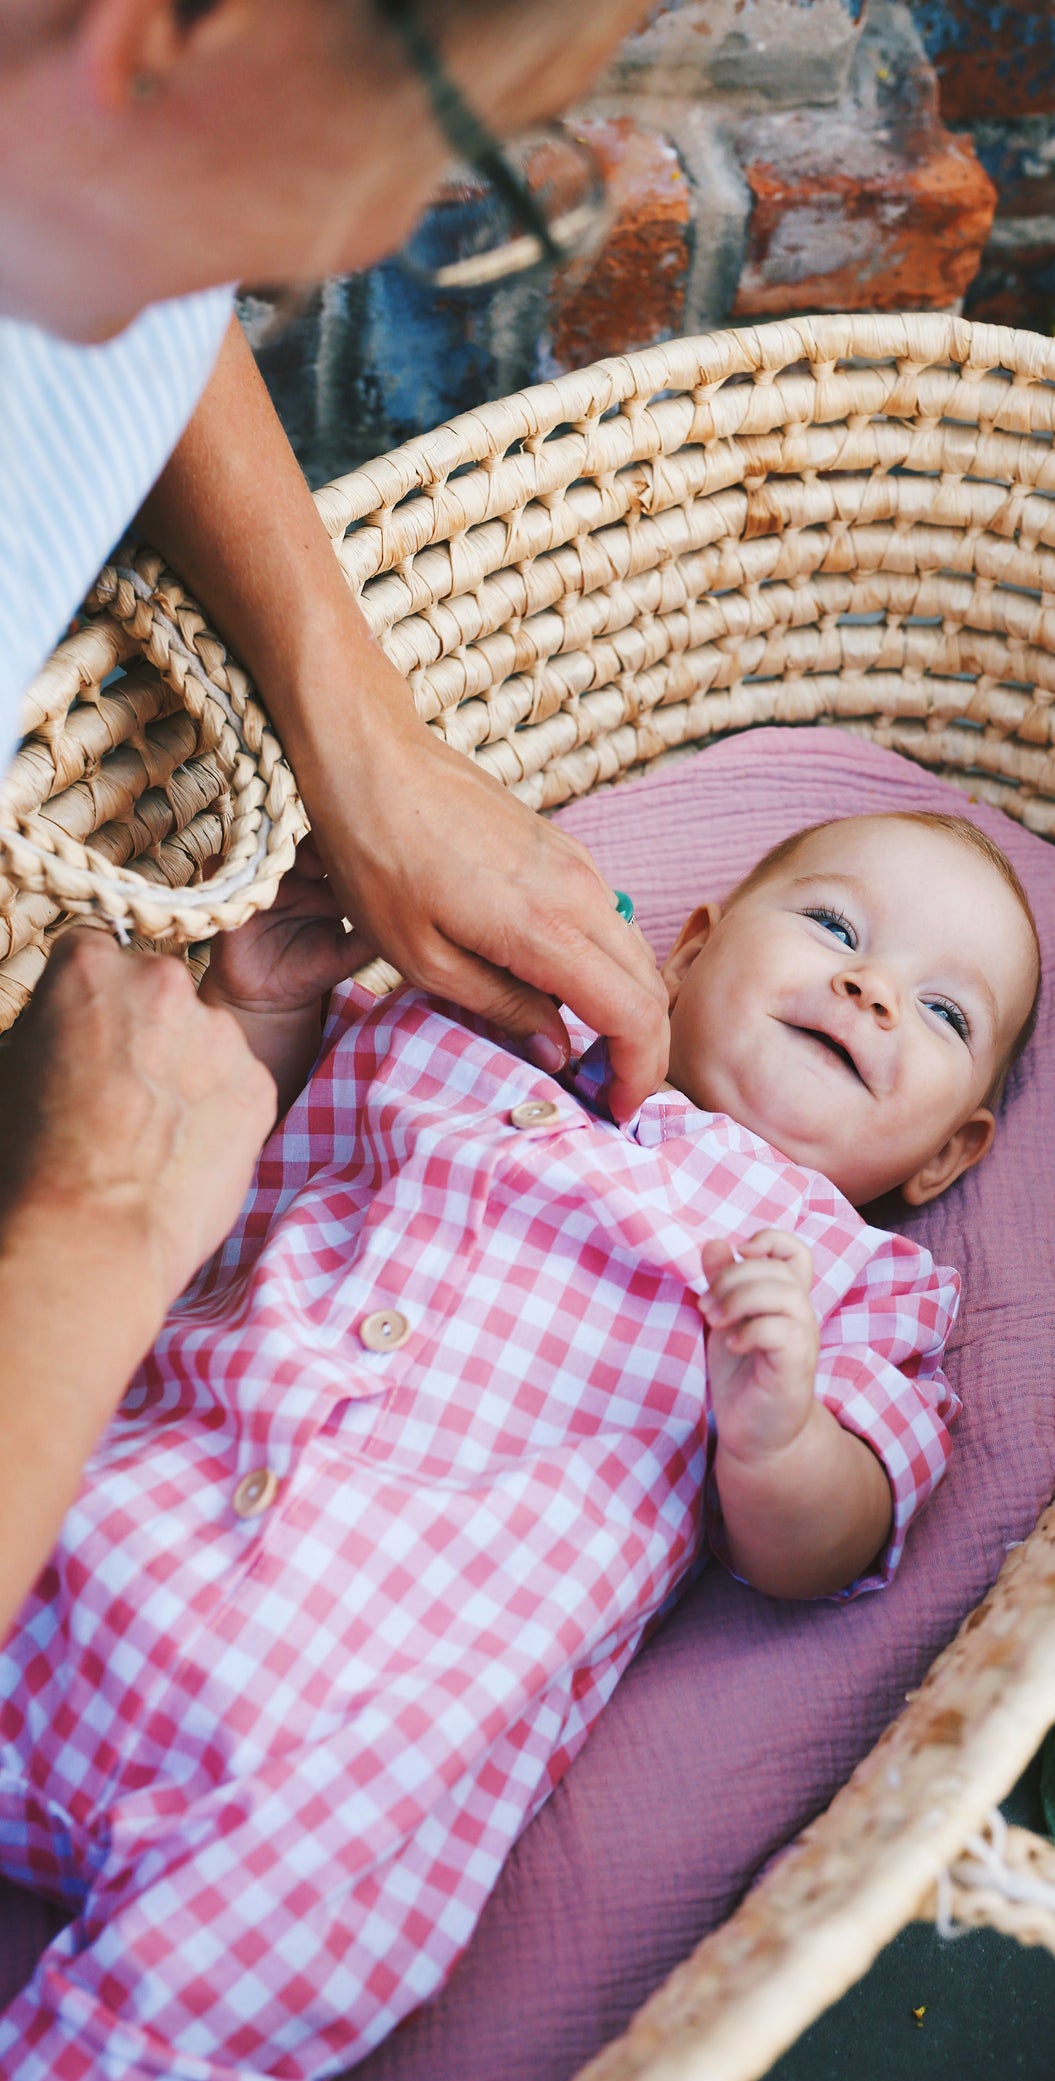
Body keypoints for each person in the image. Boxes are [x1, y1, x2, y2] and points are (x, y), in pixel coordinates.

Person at [0, 810, 1040, 2081]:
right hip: (97, 1515)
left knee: (274, 1951)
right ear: (693, 948)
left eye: (938, 1009)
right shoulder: (466, 1039)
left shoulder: (853, 1287)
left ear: (946, 1155)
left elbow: (823, 1544)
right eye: (835, 930)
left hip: (345, 1729)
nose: (868, 988)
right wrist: (264, 1005)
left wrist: (775, 1426)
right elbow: (223, 1152)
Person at [0, 0, 669, 1640]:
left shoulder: (78, 172)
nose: (378, 233)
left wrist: (358, 721)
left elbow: (126, 259)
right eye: (451, 151)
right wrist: (98, 1225)